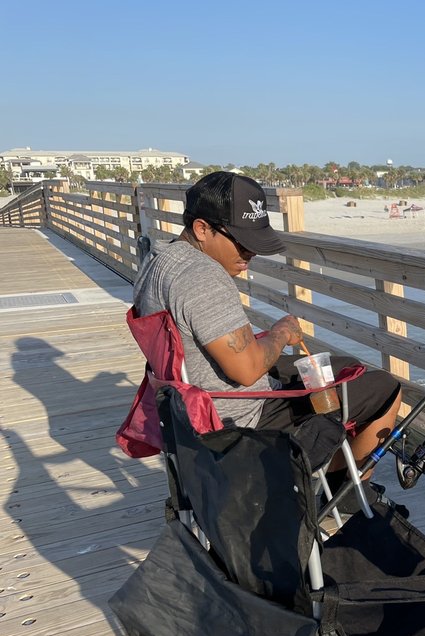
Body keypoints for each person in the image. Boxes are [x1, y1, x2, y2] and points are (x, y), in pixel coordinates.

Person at [132, 171, 401, 484]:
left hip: (190, 413)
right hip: (240, 421)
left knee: (344, 367)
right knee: (385, 388)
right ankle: (345, 494)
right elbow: (247, 371)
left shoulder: (158, 259)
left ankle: (336, 480)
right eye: (242, 243)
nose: (251, 253)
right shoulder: (202, 276)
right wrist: (281, 334)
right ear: (202, 229)